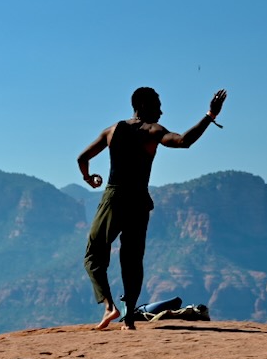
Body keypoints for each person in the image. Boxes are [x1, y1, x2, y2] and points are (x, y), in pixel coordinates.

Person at [78, 86, 227, 330]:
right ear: (143, 106)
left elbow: (82, 158)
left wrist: (89, 179)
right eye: (157, 105)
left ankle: (109, 306)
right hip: (137, 200)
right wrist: (210, 115)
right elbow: (184, 141)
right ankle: (127, 320)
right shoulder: (153, 131)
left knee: (94, 254)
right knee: (132, 259)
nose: (161, 111)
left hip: (114, 197)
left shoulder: (112, 131)